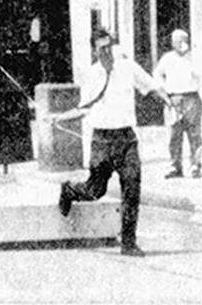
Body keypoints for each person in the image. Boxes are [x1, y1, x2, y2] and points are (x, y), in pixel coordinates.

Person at [55, 29, 175, 257]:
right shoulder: (91, 75)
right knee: (95, 190)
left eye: (109, 46)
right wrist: (59, 117)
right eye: (102, 48)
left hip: (126, 139)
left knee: (132, 189)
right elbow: (84, 108)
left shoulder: (127, 67)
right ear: (94, 51)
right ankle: (69, 189)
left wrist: (167, 101)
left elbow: (151, 86)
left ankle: (128, 243)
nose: (107, 52)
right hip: (102, 139)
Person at [154, 28, 202, 178]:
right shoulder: (167, 58)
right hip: (173, 99)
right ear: (173, 43)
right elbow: (157, 75)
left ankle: (195, 165)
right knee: (174, 134)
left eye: (185, 40)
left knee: (194, 134)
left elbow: (200, 76)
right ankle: (175, 166)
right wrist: (165, 92)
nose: (182, 43)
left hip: (191, 98)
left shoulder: (193, 58)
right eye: (179, 40)